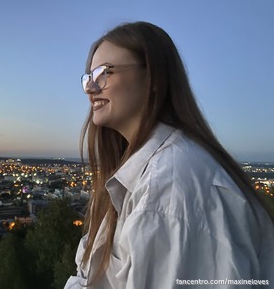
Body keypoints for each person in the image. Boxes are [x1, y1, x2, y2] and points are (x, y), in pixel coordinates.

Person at [64, 21, 274, 289]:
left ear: (153, 78)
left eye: (104, 72)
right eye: (89, 78)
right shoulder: (147, 174)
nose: (91, 89)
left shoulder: (168, 188)